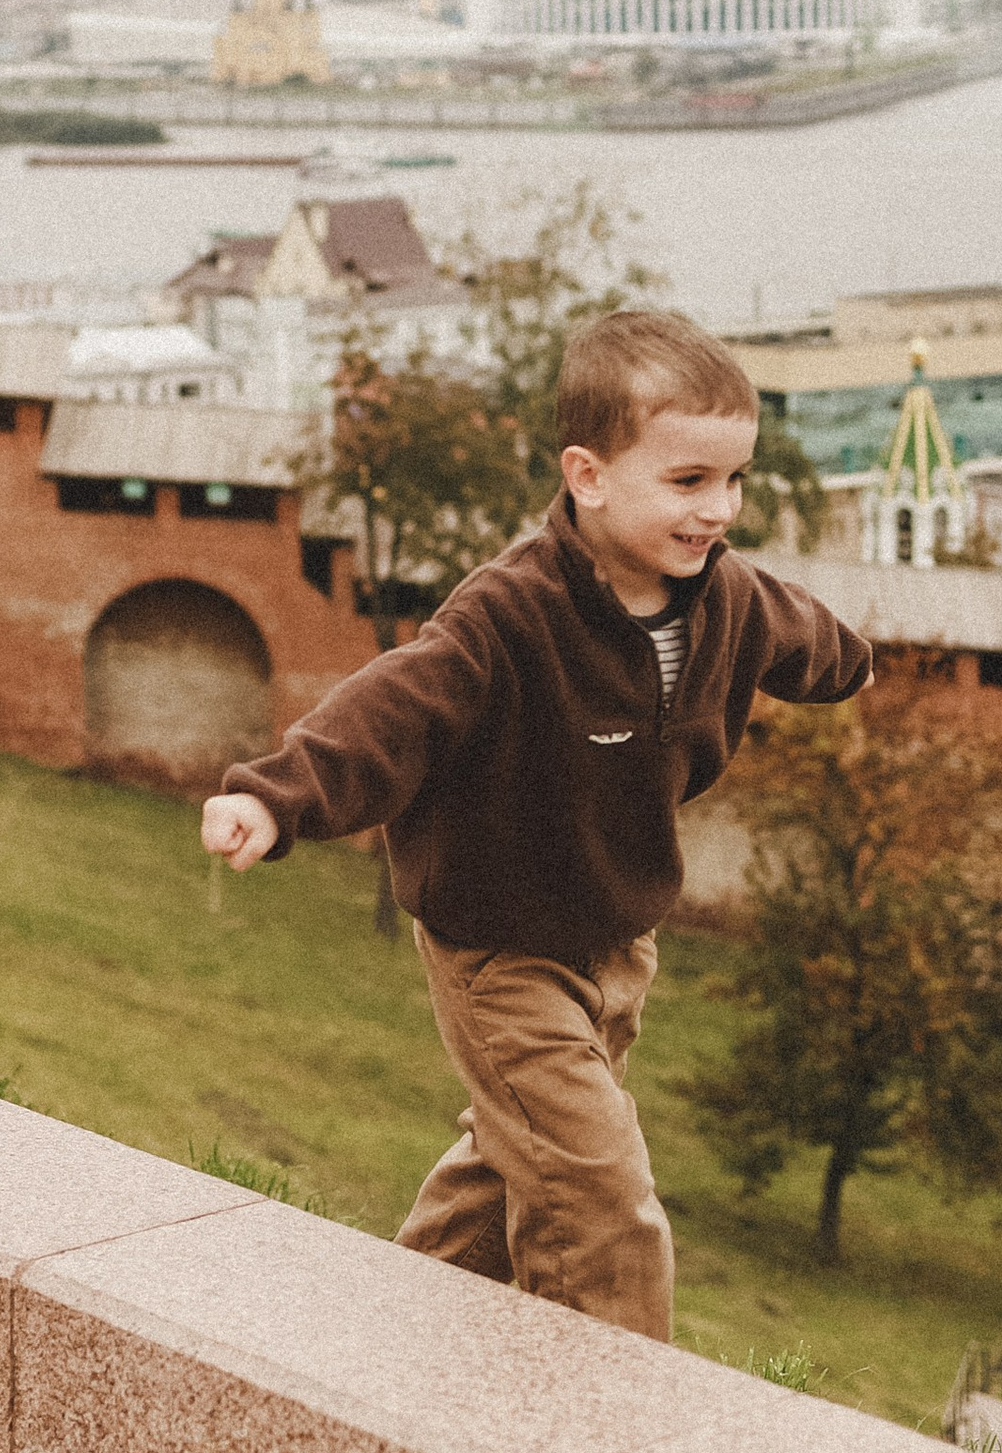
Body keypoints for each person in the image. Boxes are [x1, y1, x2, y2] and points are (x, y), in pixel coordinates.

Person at [201, 306, 871, 1340]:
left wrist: (856, 663)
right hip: (497, 944)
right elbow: (393, 707)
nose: (719, 508)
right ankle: (596, 1442)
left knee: (514, 1153)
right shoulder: (510, 613)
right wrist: (273, 795)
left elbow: (809, 639)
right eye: (687, 481)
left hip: (616, 937)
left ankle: (384, 1338)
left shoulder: (726, 597)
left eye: (733, 480)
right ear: (588, 474)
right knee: (601, 1197)